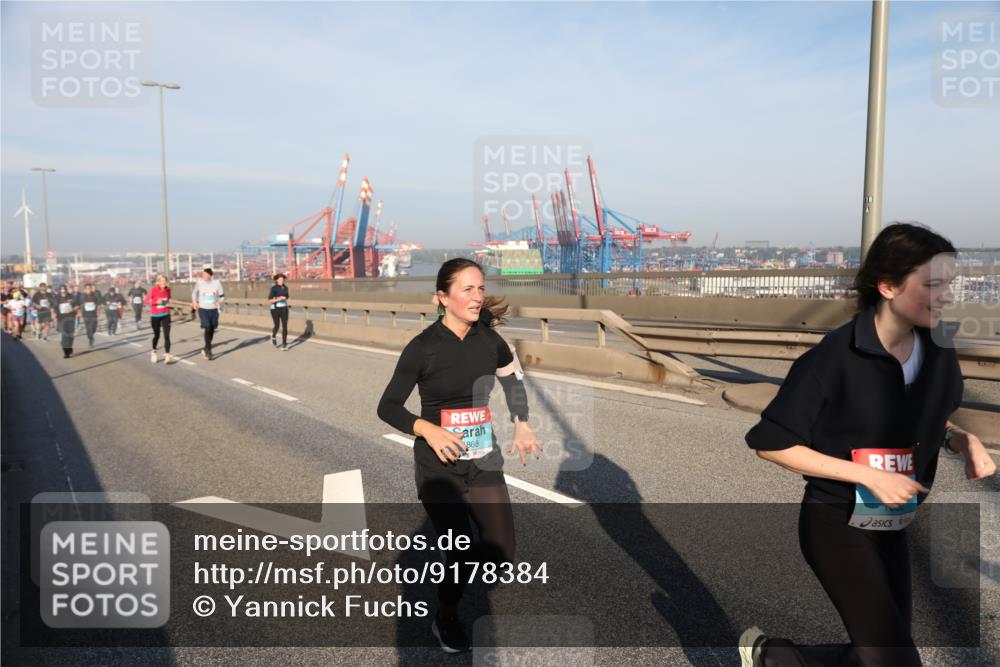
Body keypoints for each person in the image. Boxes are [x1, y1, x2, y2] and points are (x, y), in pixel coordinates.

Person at [740, 223, 996, 667]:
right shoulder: (835, 357)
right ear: (889, 286)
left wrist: (960, 439)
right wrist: (868, 475)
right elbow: (772, 442)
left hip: (893, 525)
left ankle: (776, 657)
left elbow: (930, 419)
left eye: (949, 284)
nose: (948, 296)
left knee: (874, 649)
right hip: (836, 524)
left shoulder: (938, 350)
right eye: (933, 285)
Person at [377, 258, 541, 653]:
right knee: (461, 548)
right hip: (439, 469)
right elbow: (388, 407)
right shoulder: (422, 348)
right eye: (467, 289)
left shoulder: (490, 341)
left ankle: (457, 576)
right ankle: (446, 615)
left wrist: (521, 422)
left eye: (480, 288)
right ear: (442, 298)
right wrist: (428, 428)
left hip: (483, 461)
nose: (477, 296)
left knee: (502, 549)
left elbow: (512, 379)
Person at [191, 268, 224, 360]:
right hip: (203, 309)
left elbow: (222, 295)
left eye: (205, 274)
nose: (203, 276)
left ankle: (206, 348)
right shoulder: (199, 282)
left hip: (214, 309)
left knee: (212, 329)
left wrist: (220, 302)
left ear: (210, 275)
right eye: (202, 274)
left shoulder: (217, 283)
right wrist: (194, 302)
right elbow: (194, 293)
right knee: (207, 327)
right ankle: (209, 350)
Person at [145, 274, 176, 364]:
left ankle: (167, 355)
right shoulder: (153, 290)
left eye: (164, 281)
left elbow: (168, 299)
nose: (163, 283)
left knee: (167, 335)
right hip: (155, 316)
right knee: (157, 335)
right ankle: (154, 351)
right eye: (161, 281)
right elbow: (146, 301)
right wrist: (155, 301)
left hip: (166, 314)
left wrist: (169, 301)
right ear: (158, 282)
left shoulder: (168, 289)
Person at [54, 285, 79, 358]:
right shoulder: (56, 298)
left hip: (71, 318)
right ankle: (66, 352)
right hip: (61, 319)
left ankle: (69, 347)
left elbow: (77, 305)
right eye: (62, 292)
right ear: (59, 291)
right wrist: (53, 314)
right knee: (64, 335)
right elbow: (53, 307)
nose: (63, 293)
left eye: (64, 291)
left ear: (66, 290)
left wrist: (72, 309)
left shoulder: (72, 296)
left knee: (70, 335)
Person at [267, 273, 290, 350]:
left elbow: (287, 297)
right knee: (277, 325)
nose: (281, 281)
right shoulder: (274, 288)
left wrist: (285, 300)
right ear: (276, 280)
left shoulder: (286, 288)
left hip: (284, 308)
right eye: (280, 279)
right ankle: (273, 336)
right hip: (275, 309)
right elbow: (270, 300)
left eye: (283, 280)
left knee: (285, 326)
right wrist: (278, 299)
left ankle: (284, 344)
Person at [79, 283, 103, 347]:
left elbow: (98, 304)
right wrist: (79, 313)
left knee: (93, 328)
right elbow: (80, 305)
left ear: (91, 289)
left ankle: (91, 336)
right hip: (86, 315)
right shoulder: (82, 296)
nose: (88, 290)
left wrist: (98, 311)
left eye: (89, 288)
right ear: (84, 290)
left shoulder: (95, 295)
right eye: (87, 289)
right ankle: (90, 339)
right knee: (88, 329)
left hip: (93, 314)